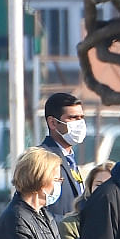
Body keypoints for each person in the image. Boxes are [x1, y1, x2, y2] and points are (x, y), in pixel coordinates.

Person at [40, 92, 87, 222]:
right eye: (72, 118)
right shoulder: (43, 158)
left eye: (81, 117)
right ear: (53, 123)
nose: (80, 123)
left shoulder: (70, 158)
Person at [60, 162, 114, 239]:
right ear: (90, 188)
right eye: (98, 185)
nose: (104, 190)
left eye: (109, 184)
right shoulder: (70, 224)